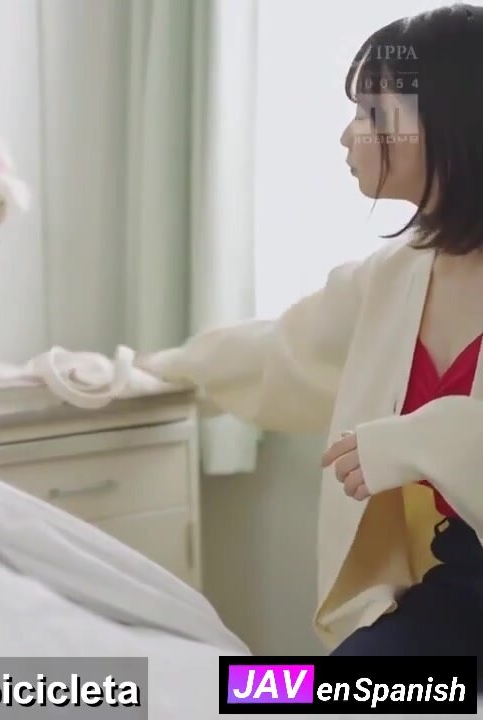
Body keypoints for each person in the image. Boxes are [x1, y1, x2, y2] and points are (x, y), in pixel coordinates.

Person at [136, 3, 483, 657]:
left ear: (450, 120)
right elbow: (278, 353)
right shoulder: (390, 279)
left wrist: (420, 440)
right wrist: (146, 371)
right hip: (457, 588)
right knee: (264, 694)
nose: (348, 136)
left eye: (372, 114)